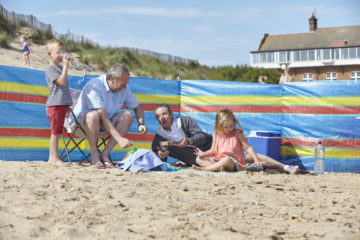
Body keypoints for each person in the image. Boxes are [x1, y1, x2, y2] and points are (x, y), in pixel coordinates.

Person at [72, 64, 148, 168]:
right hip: (82, 124)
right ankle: (94, 155)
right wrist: (120, 139)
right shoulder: (95, 85)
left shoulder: (124, 88)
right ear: (112, 79)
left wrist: (141, 123)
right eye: (123, 84)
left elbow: (137, 108)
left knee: (128, 116)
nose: (125, 87)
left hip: (104, 124)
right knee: (93, 115)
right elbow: (103, 117)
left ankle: (105, 153)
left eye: (126, 84)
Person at [192, 108, 299, 174]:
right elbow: (213, 150)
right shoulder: (217, 133)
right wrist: (204, 153)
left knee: (227, 160)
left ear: (234, 122)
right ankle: (220, 169)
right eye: (226, 127)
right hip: (218, 160)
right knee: (199, 159)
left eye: (231, 126)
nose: (229, 129)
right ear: (219, 126)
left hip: (233, 161)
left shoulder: (237, 133)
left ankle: (206, 169)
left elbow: (248, 147)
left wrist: (256, 160)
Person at [45, 39, 72, 167]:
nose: (61, 55)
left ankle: (52, 159)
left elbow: (64, 88)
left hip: (60, 104)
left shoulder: (60, 68)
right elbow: (61, 82)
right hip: (54, 105)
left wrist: (67, 104)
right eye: (58, 52)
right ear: (49, 54)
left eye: (63, 52)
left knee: (57, 131)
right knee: (55, 132)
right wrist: (66, 66)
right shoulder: (50, 69)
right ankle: (54, 158)